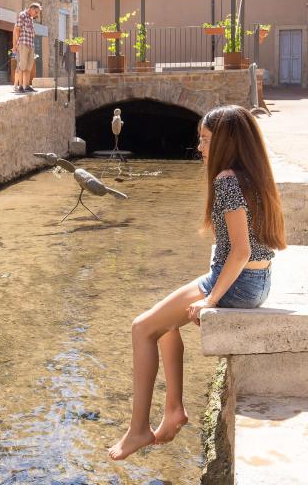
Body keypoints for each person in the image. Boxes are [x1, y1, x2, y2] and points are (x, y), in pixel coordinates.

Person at [108, 105, 286, 461]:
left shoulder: (227, 180)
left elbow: (240, 251)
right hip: (257, 280)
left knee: (141, 328)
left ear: (225, 141)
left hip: (237, 282)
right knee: (163, 322)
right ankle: (173, 408)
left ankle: (137, 429)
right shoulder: (253, 174)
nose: (200, 148)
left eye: (205, 140)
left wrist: (210, 299)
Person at [11, 3, 41, 94]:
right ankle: (20, 86)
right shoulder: (22, 15)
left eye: (37, 13)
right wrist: (15, 45)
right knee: (22, 65)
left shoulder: (31, 19)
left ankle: (27, 86)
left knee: (28, 67)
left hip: (30, 44)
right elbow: (17, 30)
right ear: (31, 8)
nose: (36, 15)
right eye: (36, 12)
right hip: (23, 43)